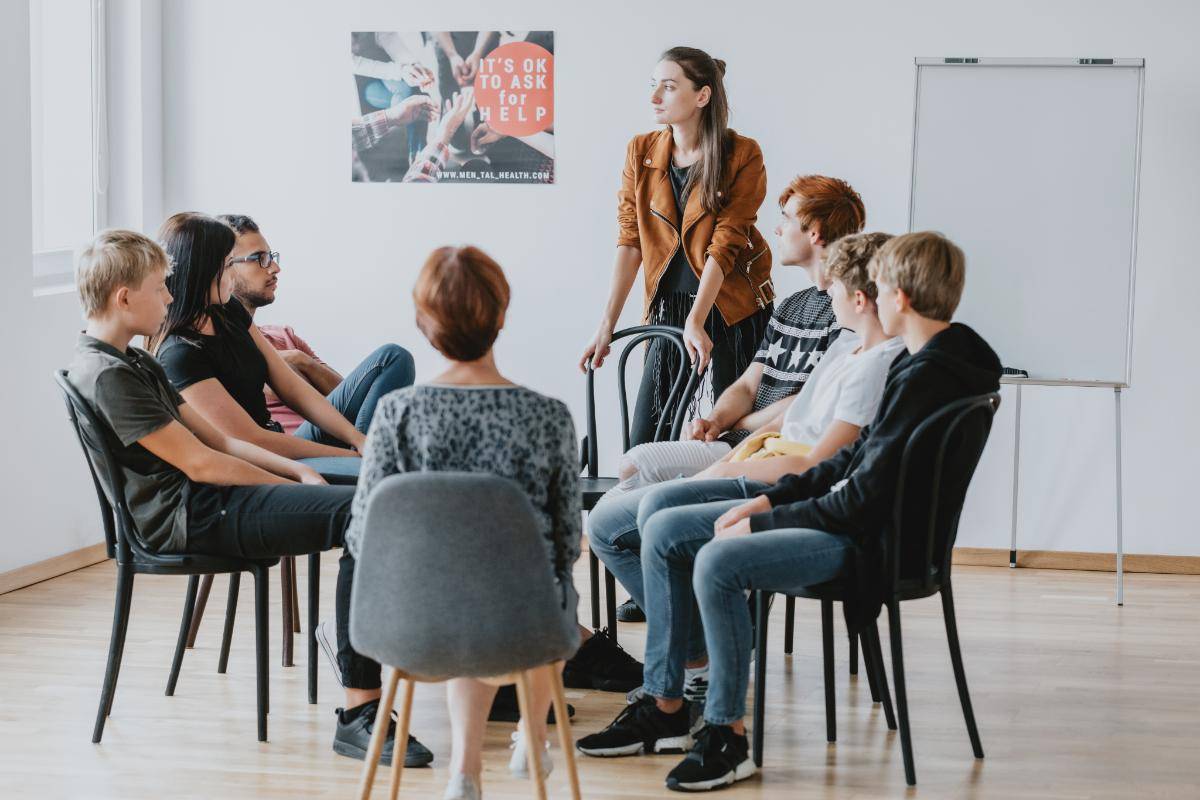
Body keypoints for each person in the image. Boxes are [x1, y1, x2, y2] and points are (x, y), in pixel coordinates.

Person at [580, 231, 1002, 792]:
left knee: (718, 560)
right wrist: (765, 499)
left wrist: (763, 522)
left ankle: (726, 736)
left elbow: (864, 494)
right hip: (863, 524)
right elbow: (857, 457)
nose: (867, 294)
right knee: (671, 530)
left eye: (877, 286)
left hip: (874, 544)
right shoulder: (933, 363)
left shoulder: (927, 376)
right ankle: (667, 707)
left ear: (898, 296)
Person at [66, 229, 433, 769]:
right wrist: (293, 485)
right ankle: (361, 711)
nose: (169, 298)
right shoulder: (109, 374)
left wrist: (300, 474)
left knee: (379, 505)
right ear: (124, 297)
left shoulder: (133, 363)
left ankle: (379, 668)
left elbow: (222, 440)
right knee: (371, 511)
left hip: (214, 501)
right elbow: (202, 463)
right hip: (196, 515)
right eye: (158, 288)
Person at [579, 231, 900, 725]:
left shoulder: (875, 365)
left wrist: (732, 465)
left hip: (779, 479)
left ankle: (682, 675)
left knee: (635, 520)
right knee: (610, 519)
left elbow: (818, 464)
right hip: (760, 457)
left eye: (833, 288)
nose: (825, 295)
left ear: (858, 298)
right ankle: (693, 659)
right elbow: (784, 417)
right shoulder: (846, 349)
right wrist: (737, 440)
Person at [345, 246, 579, 800]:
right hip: (520, 625)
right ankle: (533, 733)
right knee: (525, 587)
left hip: (411, 627)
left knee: (461, 587)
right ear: (502, 316)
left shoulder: (396, 412)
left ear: (424, 325)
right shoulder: (547, 416)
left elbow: (362, 537)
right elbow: (567, 542)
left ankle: (464, 775)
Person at [601, 173, 866, 623]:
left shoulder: (851, 312)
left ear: (815, 233)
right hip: (739, 440)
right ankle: (674, 590)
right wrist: (716, 419)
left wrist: (741, 428)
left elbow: (805, 406)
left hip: (773, 451)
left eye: (786, 219)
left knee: (635, 497)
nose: (777, 230)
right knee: (632, 466)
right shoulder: (791, 305)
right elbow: (747, 383)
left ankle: (679, 599)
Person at [580, 46, 774, 447]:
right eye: (654, 86)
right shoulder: (642, 150)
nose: (655, 98)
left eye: (668, 87)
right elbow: (631, 239)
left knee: (731, 437)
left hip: (733, 306)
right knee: (643, 439)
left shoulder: (742, 153)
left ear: (702, 96)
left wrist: (698, 319)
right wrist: (606, 326)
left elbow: (727, 244)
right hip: (671, 306)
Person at [150, 213, 365, 465]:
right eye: (229, 265)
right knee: (374, 477)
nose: (233, 275)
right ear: (201, 270)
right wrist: (351, 457)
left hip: (279, 444)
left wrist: (358, 439)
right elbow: (252, 441)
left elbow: (290, 386)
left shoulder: (229, 310)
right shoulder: (178, 354)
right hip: (257, 465)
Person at [216, 213, 415, 445]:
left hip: (334, 435)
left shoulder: (284, 336)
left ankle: (365, 455)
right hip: (291, 448)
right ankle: (366, 459)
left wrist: (301, 361)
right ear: (226, 267)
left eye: (271, 257)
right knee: (391, 357)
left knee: (394, 362)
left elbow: (354, 396)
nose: (275, 268)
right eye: (259, 258)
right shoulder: (219, 343)